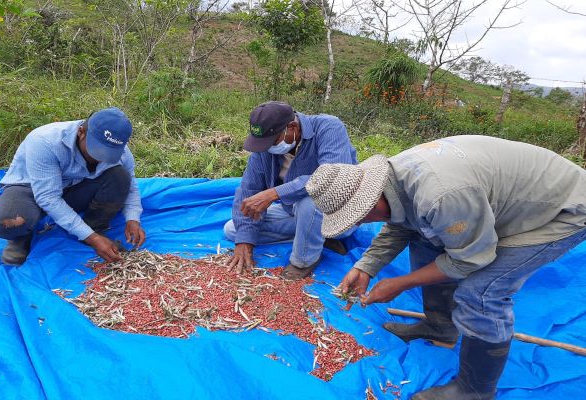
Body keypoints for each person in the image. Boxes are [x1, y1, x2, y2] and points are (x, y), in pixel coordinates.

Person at [306, 135, 586, 399]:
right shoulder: (394, 181)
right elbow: (400, 226)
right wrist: (366, 267)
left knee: (482, 292)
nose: (360, 224)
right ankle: (440, 327)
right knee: (426, 240)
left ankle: (474, 390)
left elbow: (471, 259)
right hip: (494, 200)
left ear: (371, 196)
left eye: (359, 216)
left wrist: (400, 283)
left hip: (562, 210)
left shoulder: (439, 195)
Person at [0, 107, 146, 266]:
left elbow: (130, 185)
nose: (100, 158)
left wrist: (133, 218)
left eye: (107, 154)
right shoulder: (45, 141)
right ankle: (21, 236)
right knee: (5, 220)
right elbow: (48, 198)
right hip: (30, 190)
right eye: (96, 151)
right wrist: (93, 239)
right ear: (81, 132)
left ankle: (94, 227)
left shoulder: (119, 148)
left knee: (120, 176)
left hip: (73, 188)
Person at [224, 101, 357, 280]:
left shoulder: (328, 127)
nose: (267, 147)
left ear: (292, 127)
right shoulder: (265, 148)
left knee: (310, 202)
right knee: (234, 230)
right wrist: (245, 241)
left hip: (336, 214)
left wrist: (275, 193)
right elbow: (249, 190)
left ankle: (304, 260)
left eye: (273, 141)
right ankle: (315, 238)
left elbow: (333, 175)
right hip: (295, 212)